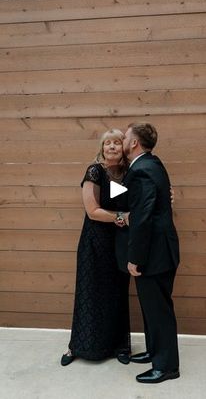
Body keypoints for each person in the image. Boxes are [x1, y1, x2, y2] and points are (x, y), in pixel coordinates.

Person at [115, 123, 180, 384]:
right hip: (159, 251)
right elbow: (128, 199)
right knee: (151, 308)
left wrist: (135, 258)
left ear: (134, 144)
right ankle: (155, 351)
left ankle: (166, 367)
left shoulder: (142, 170)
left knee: (159, 310)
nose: (122, 140)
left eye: (125, 137)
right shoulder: (149, 164)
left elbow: (142, 218)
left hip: (154, 254)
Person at [61, 129, 131, 366]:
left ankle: (120, 346)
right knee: (89, 293)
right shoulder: (95, 171)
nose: (111, 147)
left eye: (117, 143)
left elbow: (141, 198)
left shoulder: (128, 173)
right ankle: (77, 347)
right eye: (107, 143)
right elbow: (92, 211)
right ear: (102, 148)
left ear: (125, 147)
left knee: (118, 293)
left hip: (119, 243)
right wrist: (122, 216)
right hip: (94, 242)